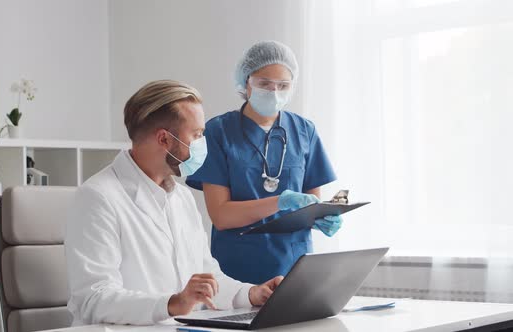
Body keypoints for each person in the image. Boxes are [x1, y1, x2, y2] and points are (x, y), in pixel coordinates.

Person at [65, 80, 283, 326]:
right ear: (164, 140)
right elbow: (94, 299)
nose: (203, 144)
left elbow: (207, 279)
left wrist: (251, 293)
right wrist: (172, 304)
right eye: (197, 135)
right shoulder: (97, 197)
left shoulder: (181, 197)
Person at [186, 41, 342, 284]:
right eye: (264, 84)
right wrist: (279, 202)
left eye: (283, 86)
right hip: (239, 270)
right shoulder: (218, 132)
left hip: (295, 267)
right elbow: (221, 216)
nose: (274, 92)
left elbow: (310, 203)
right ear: (246, 83)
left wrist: (321, 218)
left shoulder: (304, 131)